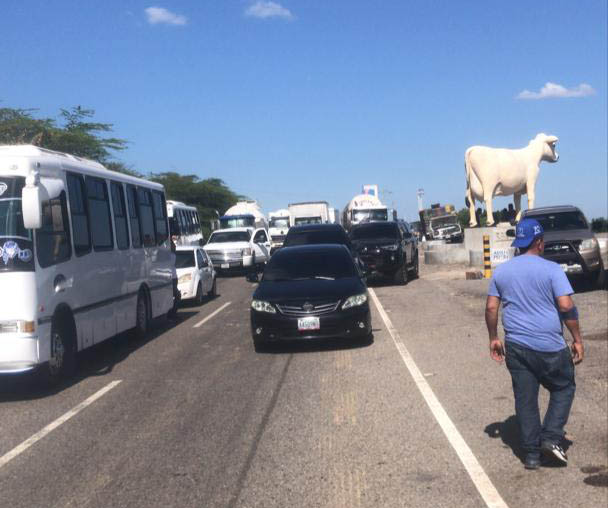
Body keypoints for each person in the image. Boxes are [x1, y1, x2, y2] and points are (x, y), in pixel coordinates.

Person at [485, 218, 584, 470]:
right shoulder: (551, 270)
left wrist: (493, 337)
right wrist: (577, 339)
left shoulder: (502, 272)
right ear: (539, 242)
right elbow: (565, 305)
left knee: (526, 398)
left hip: (516, 346)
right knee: (563, 387)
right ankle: (550, 438)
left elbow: (491, 307)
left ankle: (531, 455)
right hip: (549, 346)